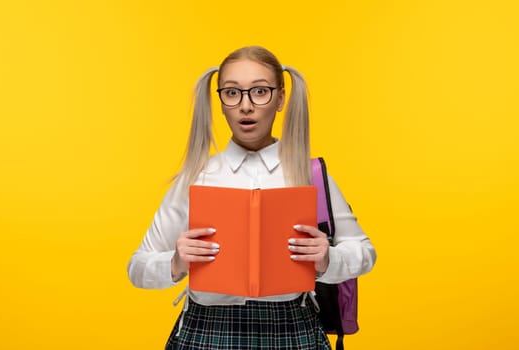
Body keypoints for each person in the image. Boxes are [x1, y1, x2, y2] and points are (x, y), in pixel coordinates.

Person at [127, 45, 377, 349]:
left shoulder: (309, 174)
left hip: (291, 327)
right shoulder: (196, 177)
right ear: (220, 102)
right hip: (207, 329)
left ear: (281, 98)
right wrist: (176, 263)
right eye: (232, 93)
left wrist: (328, 259)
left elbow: (364, 252)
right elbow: (137, 267)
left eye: (260, 92)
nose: (246, 106)